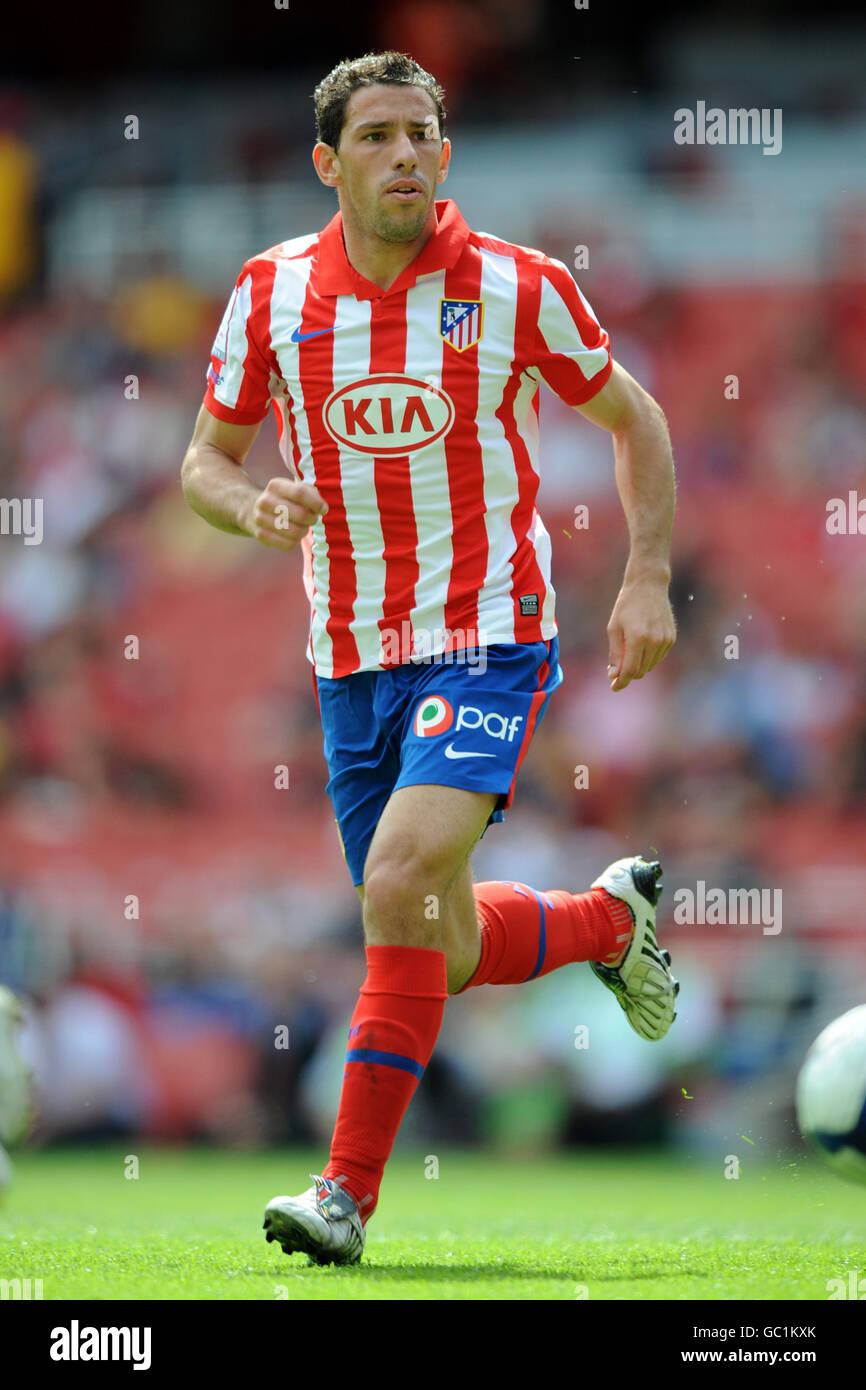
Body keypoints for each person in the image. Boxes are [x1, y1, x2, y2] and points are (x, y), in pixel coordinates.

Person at [181, 50, 679, 1267]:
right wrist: (249, 508)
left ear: (443, 153)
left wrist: (647, 574)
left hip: (485, 636)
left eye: (422, 133)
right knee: (435, 945)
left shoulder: (517, 285)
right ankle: (602, 929)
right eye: (376, 136)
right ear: (327, 162)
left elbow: (635, 418)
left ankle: (343, 1194)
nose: (404, 152)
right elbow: (203, 460)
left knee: (394, 883)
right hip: (348, 661)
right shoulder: (271, 293)